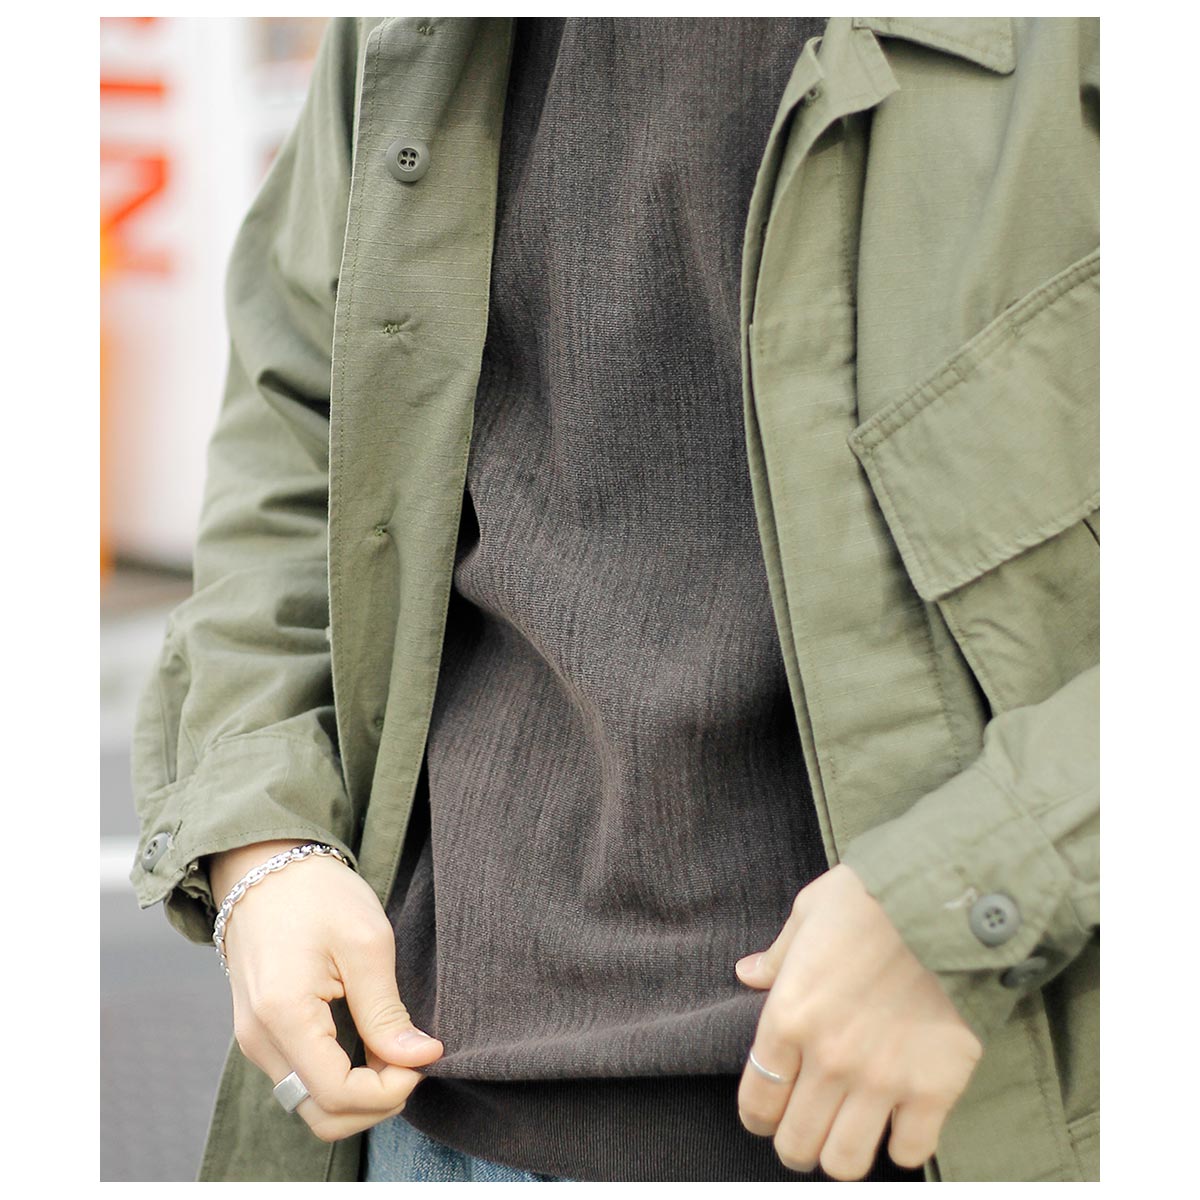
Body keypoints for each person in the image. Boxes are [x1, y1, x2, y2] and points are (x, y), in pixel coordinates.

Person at [130, 15, 1100, 1184]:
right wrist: (263, 846)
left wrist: (974, 892)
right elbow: (299, 420)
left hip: (933, 1105)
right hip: (423, 1110)